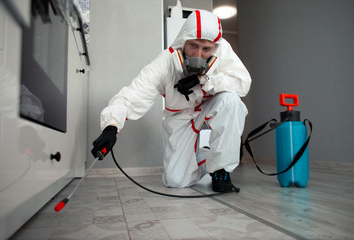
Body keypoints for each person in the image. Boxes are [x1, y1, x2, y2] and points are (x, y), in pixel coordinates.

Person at [91, 10, 251, 192]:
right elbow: (132, 94)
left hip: (211, 106)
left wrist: (204, 81)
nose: (198, 54)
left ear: (214, 48)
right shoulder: (164, 64)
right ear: (184, 40)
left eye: (206, 49)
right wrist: (112, 125)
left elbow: (242, 82)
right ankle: (208, 155)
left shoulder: (223, 50)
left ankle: (220, 169)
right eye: (193, 46)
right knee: (176, 181)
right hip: (180, 117)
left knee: (231, 100)